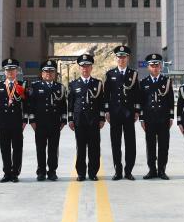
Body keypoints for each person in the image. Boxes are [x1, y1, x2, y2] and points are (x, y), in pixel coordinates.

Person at [103, 45, 141, 181]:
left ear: (128, 58)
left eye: (124, 57)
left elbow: (137, 94)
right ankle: (118, 171)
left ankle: (128, 171)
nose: (121, 59)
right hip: (114, 114)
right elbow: (106, 95)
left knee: (130, 144)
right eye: (119, 57)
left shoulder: (133, 74)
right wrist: (107, 111)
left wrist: (137, 111)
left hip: (129, 114)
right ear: (116, 58)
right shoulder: (110, 74)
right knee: (116, 143)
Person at [27, 59, 67, 181]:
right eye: (46, 71)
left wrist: (63, 120)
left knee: (53, 149)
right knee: (40, 148)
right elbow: (31, 105)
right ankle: (41, 171)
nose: (49, 74)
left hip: (55, 123)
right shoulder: (35, 86)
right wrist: (32, 121)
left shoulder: (60, 87)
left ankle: (52, 171)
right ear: (42, 73)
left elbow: (63, 105)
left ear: (55, 73)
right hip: (40, 123)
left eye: (51, 71)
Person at [68, 54, 105, 181]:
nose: (85, 68)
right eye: (83, 66)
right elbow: (71, 104)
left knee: (94, 148)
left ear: (91, 68)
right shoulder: (74, 84)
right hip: (79, 121)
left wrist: (102, 118)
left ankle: (93, 173)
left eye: (88, 66)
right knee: (81, 148)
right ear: (79, 68)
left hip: (94, 121)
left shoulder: (98, 83)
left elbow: (101, 102)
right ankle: (81, 173)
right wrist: (70, 119)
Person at [139, 53, 173, 180]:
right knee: (151, 146)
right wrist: (142, 119)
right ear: (148, 67)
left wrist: (171, 117)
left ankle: (162, 170)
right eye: (152, 66)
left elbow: (170, 101)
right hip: (149, 119)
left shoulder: (166, 81)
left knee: (164, 146)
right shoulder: (143, 82)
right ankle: (152, 170)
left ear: (160, 67)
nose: (154, 68)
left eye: (157, 65)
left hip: (163, 119)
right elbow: (141, 102)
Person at [0, 58, 28, 183]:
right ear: (4, 71)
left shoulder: (22, 85)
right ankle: (7, 173)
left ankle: (15, 173)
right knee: (5, 148)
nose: (10, 72)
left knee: (17, 148)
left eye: (12, 69)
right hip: (3, 122)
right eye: (8, 70)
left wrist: (25, 120)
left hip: (17, 122)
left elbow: (26, 104)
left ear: (16, 71)